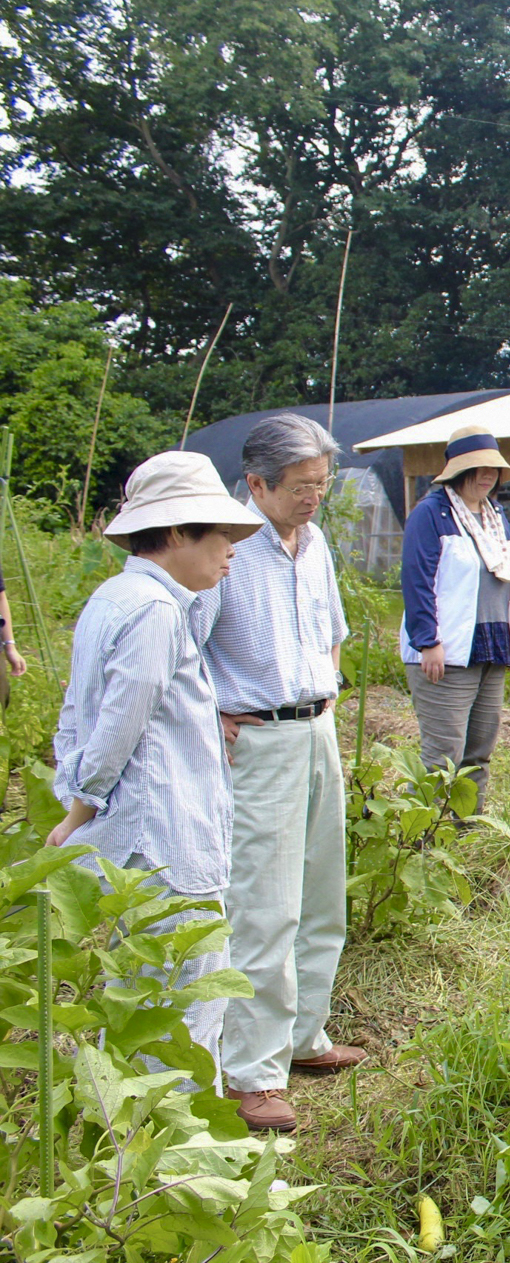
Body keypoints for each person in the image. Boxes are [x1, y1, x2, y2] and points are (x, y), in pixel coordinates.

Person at [47, 452, 262, 1082]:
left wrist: (77, 798)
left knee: (141, 996)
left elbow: (75, 713)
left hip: (144, 833)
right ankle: (179, 1132)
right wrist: (79, 809)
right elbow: (120, 725)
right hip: (165, 837)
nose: (231, 551)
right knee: (183, 1001)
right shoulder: (155, 611)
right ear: (174, 533)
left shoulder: (114, 598)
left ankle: (135, 1122)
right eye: (220, 535)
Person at [192, 415, 361, 1133]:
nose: (313, 497)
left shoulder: (314, 543)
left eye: (321, 484)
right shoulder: (225, 549)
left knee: (321, 891)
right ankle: (252, 1071)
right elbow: (185, 647)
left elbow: (332, 631)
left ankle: (303, 1035)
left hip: (316, 727)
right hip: (258, 739)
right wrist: (212, 714)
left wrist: (328, 691)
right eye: (300, 486)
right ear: (256, 483)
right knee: (263, 905)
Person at [400, 425, 510, 813]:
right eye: (478, 468)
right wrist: (427, 640)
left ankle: (466, 833)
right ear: (458, 470)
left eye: (493, 468)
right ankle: (423, 837)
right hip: (449, 651)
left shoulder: (496, 516)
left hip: (492, 647)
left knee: (478, 754)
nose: (487, 475)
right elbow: (417, 579)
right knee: (443, 758)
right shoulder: (431, 514)